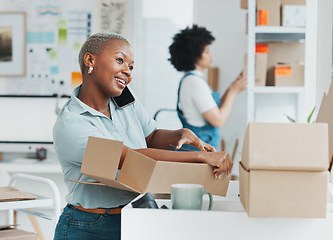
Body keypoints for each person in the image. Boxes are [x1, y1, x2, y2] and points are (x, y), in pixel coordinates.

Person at [52, 32, 233, 240]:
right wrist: (199, 157)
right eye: (120, 60)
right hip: (89, 227)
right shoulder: (72, 123)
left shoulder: (124, 99)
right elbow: (131, 159)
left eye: (131, 66)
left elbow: (151, 136)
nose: (127, 71)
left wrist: (180, 134)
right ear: (90, 60)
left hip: (134, 215)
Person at [168, 25, 247, 150]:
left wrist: (233, 86)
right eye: (206, 52)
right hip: (194, 155)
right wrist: (233, 91)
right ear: (195, 56)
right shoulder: (194, 82)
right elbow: (218, 120)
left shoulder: (191, 80)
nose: (210, 55)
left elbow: (215, 108)